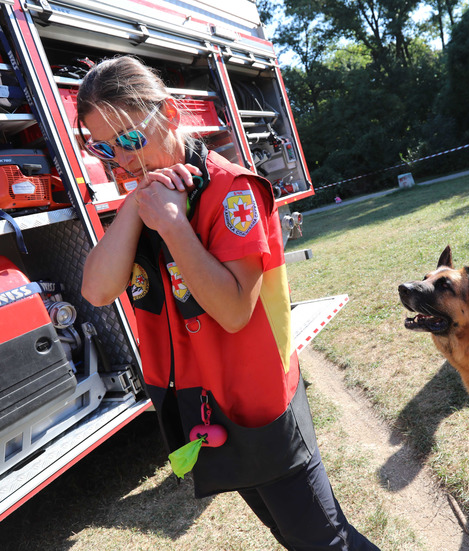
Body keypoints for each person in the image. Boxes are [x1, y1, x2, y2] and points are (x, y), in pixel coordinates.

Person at [78, 56, 377, 550]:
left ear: (170, 114)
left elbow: (236, 310)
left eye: (131, 139)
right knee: (292, 535)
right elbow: (97, 290)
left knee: (324, 541)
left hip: (259, 404)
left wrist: (174, 227)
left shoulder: (232, 190)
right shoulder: (145, 196)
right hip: (208, 406)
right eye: (103, 149)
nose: (122, 161)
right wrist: (137, 202)